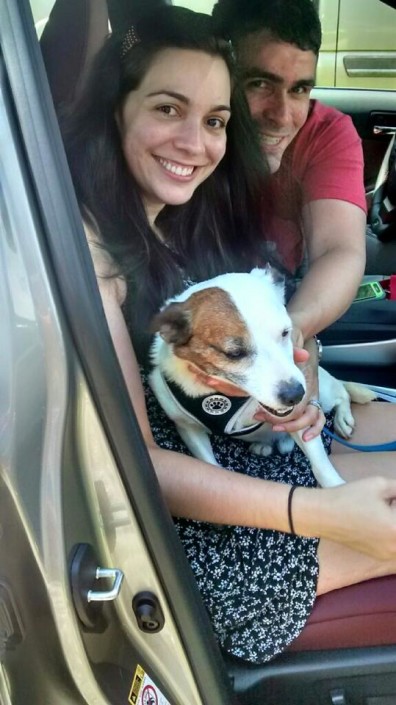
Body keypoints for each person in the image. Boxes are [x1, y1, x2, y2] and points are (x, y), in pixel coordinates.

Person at [62, 5, 396, 666]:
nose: (196, 142)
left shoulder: (184, 212)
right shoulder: (90, 248)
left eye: (215, 120)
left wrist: (292, 365)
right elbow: (146, 468)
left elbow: (309, 282)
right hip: (204, 535)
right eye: (167, 109)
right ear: (116, 108)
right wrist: (320, 513)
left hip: (238, 442)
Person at [212, 0, 367, 349]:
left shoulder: (326, 133)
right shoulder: (192, 144)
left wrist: (291, 333)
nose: (282, 116)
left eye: (299, 89)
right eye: (260, 84)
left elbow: (338, 249)